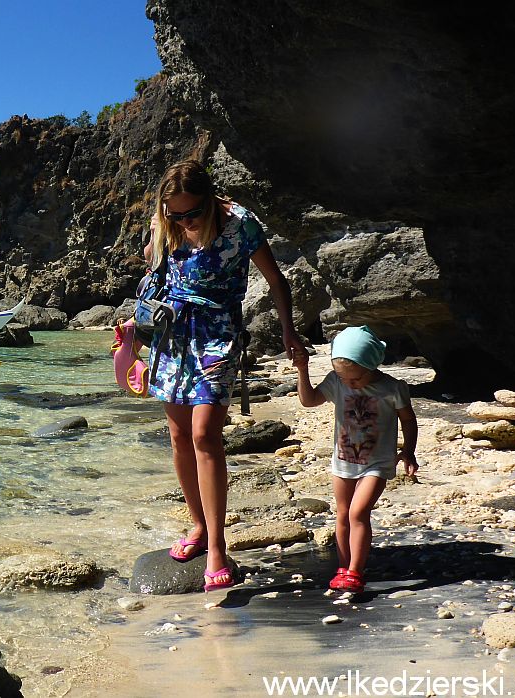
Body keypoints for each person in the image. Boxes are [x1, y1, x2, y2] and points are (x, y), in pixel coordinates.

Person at [146, 159, 305, 592]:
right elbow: (155, 274)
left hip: (218, 336)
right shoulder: (166, 223)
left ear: (210, 201)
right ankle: (197, 526)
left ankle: (217, 545)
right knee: (178, 436)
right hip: (172, 335)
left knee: (204, 435)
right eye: (173, 213)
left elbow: (276, 280)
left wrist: (289, 331)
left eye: (190, 213)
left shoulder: (240, 225)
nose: (182, 220)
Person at [291, 326, 419, 593]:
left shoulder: (391, 388)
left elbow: (408, 420)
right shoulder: (337, 383)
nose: (350, 383)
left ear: (372, 365)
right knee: (341, 515)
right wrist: (302, 370)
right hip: (343, 461)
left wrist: (408, 451)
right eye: (344, 378)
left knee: (358, 513)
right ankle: (343, 566)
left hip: (377, 463)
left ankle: (355, 572)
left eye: (356, 379)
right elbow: (309, 400)